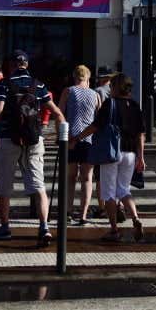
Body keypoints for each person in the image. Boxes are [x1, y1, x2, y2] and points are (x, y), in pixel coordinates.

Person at [0, 50, 65, 246]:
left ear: (12, 65)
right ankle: (44, 227)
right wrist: (62, 136)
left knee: (4, 186)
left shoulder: (4, 84)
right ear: (26, 65)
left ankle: (5, 227)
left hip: (9, 139)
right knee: (38, 185)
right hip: (34, 139)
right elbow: (56, 112)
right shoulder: (38, 85)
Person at [78, 73, 146, 243]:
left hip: (111, 153)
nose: (110, 89)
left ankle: (114, 230)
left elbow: (96, 125)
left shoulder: (110, 103)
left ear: (117, 87)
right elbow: (141, 134)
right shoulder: (135, 105)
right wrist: (141, 156)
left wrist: (76, 138)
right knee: (123, 189)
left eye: (112, 86)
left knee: (108, 193)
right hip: (130, 154)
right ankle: (136, 218)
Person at [58, 65, 101, 225]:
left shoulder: (68, 91)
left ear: (74, 77)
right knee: (87, 178)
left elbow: (60, 114)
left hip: (71, 139)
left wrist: (62, 138)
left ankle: (68, 211)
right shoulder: (95, 95)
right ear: (88, 78)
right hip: (89, 140)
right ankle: (83, 215)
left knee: (70, 177)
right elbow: (99, 118)